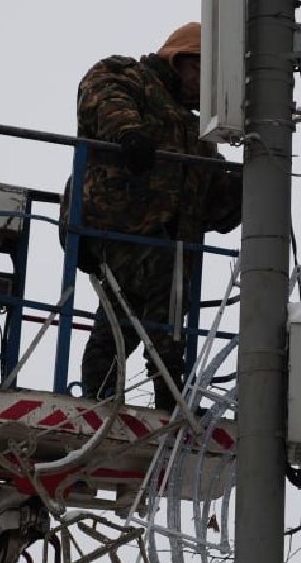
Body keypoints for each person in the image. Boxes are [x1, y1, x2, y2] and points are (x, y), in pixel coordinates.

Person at [71, 22, 242, 410]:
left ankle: (99, 400)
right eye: (204, 74)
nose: (207, 89)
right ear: (181, 60)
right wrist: (128, 133)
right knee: (164, 289)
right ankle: (169, 392)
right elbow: (103, 96)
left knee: (120, 321)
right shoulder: (130, 77)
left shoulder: (194, 131)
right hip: (116, 225)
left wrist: (252, 184)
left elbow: (210, 196)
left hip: (158, 236)